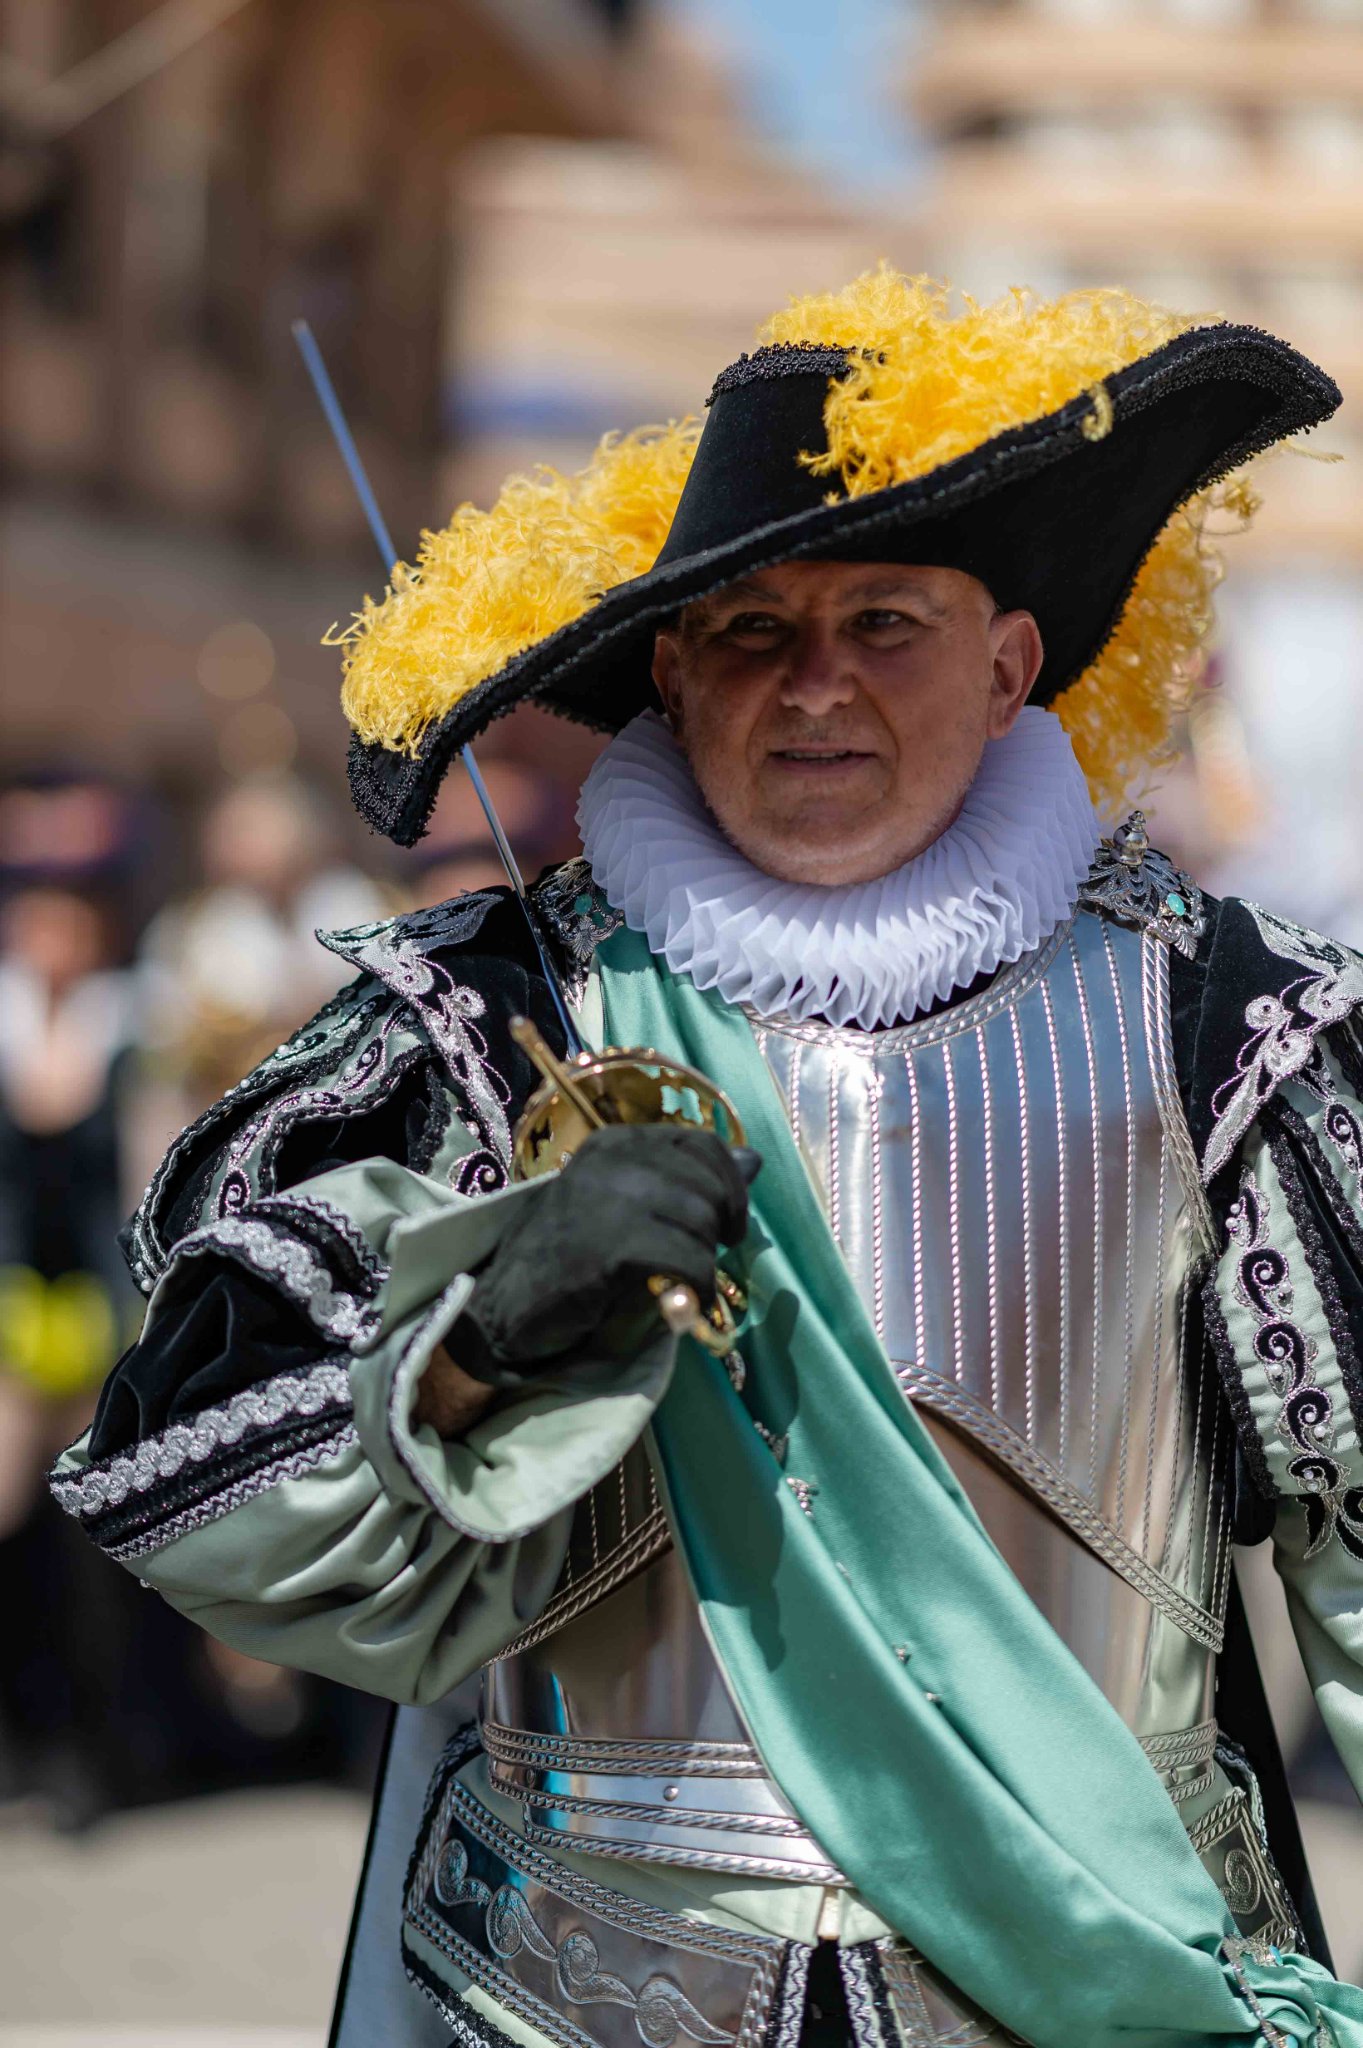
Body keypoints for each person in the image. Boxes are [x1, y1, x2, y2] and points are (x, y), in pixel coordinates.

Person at [49, 274, 1363, 2047]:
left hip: (1101, 1982)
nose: (815, 684)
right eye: (751, 630)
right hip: (565, 1991)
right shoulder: (484, 1016)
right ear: (671, 676)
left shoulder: (1226, 1026)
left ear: (1010, 667)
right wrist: (485, 1331)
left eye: (885, 621)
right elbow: (196, 1505)